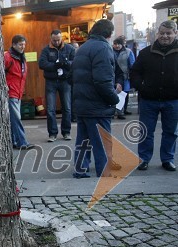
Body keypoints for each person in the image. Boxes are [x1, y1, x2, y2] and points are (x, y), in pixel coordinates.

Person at [71, 19, 122, 178]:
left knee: (83, 141)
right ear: (109, 33)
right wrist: (115, 98)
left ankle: (80, 169)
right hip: (97, 105)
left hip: (82, 104)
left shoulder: (83, 48)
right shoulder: (103, 48)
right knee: (102, 141)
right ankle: (105, 171)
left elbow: (72, 76)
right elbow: (103, 81)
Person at [131, 20, 178, 172]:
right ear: (157, 34)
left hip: (173, 100)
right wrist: (141, 88)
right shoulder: (146, 53)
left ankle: (167, 159)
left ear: (175, 34)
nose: (165, 36)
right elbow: (135, 72)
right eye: (162, 33)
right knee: (146, 131)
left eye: (168, 33)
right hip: (149, 100)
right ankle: (143, 159)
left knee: (170, 132)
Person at [39, 30, 76, 142]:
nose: (56, 42)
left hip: (65, 81)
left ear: (62, 38)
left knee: (67, 108)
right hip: (51, 81)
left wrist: (66, 63)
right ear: (51, 39)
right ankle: (52, 134)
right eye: (54, 40)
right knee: (50, 109)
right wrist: (55, 65)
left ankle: (66, 132)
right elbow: (42, 64)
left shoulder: (70, 49)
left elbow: (75, 62)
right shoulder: (46, 50)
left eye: (58, 40)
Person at [4, 34, 35, 150]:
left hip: (17, 92)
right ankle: (22, 142)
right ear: (14, 45)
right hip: (11, 92)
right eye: (20, 44)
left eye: (24, 44)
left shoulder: (21, 57)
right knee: (16, 119)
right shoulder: (8, 57)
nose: (23, 47)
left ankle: (14, 141)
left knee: (14, 119)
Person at [112, 36, 135, 119]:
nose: (117, 46)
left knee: (124, 93)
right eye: (115, 44)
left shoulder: (128, 52)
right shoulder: (110, 52)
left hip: (125, 76)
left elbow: (132, 64)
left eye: (118, 44)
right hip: (113, 76)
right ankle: (115, 111)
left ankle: (122, 110)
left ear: (122, 44)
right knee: (114, 93)